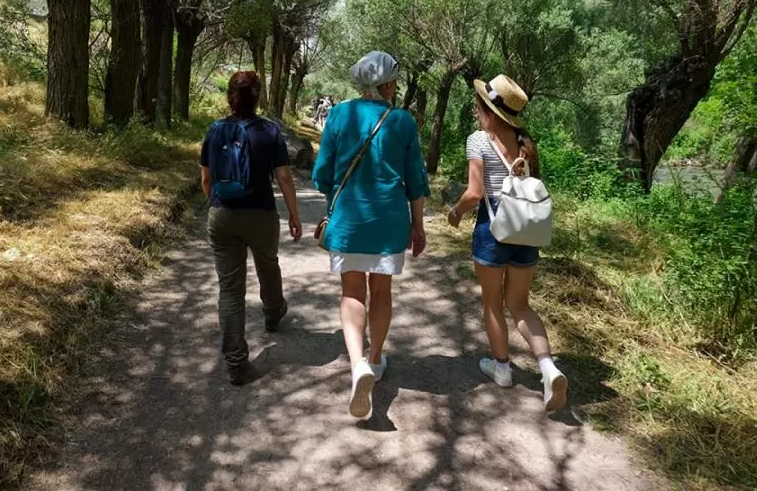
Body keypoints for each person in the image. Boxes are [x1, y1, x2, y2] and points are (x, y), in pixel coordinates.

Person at [312, 51, 429, 418]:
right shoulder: (403, 121)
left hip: (349, 219)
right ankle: (375, 359)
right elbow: (416, 181)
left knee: (351, 292)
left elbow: (321, 173)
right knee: (381, 291)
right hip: (390, 220)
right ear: (387, 84)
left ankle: (356, 363)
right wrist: (418, 225)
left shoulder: (339, 114)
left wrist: (336, 196)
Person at [446, 74, 567, 412]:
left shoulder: (478, 140)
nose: (475, 111)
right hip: (526, 230)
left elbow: (474, 193)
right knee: (521, 304)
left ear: (488, 110)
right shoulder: (525, 140)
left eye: (478, 105)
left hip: (493, 229)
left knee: (492, 303)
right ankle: (548, 367)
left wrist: (456, 211)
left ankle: (502, 368)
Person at [200, 71, 303, 385]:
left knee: (230, 291)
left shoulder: (215, 130)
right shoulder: (270, 132)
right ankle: (273, 312)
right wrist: (294, 216)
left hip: (222, 215)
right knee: (267, 264)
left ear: (230, 96)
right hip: (261, 214)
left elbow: (206, 179)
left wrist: (217, 203)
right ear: (258, 96)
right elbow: (284, 178)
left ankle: (236, 364)